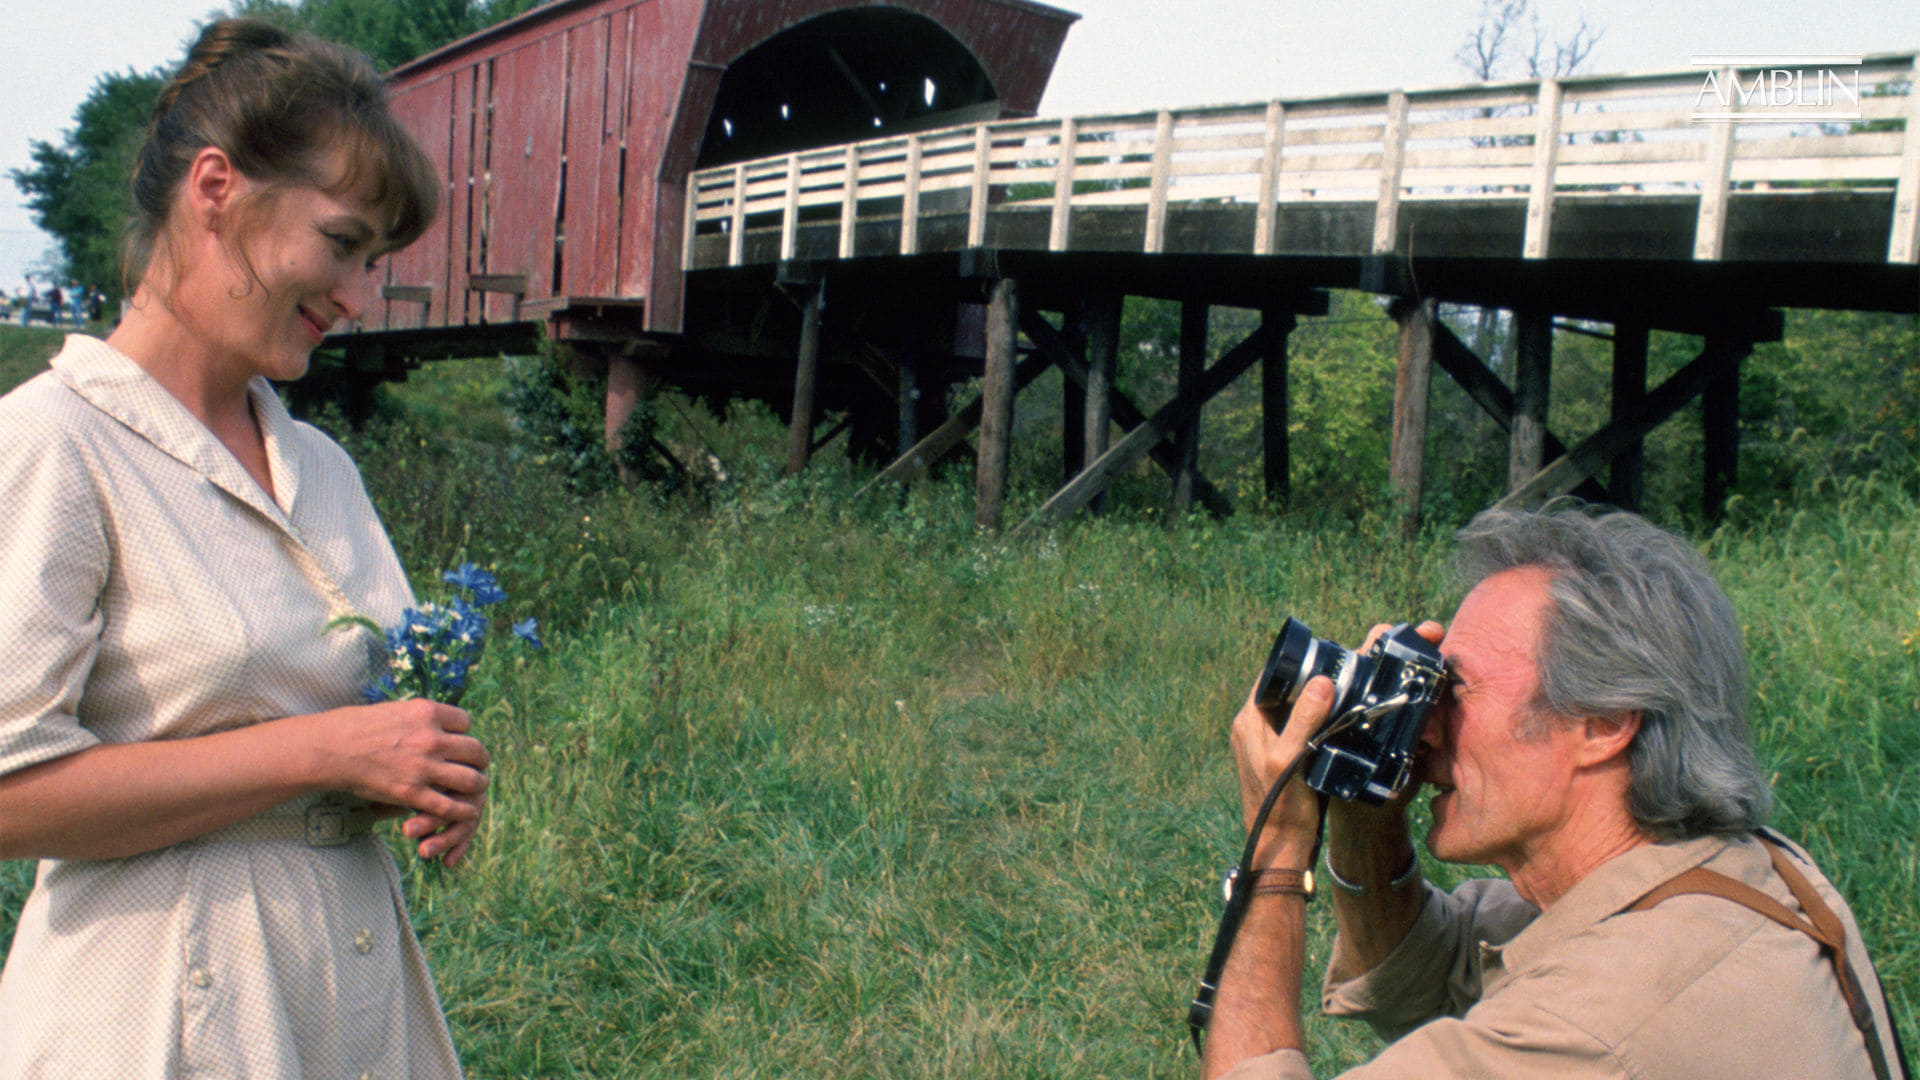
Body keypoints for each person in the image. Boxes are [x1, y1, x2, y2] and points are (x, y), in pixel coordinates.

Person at [0, 19, 488, 1078]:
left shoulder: (323, 466)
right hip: (156, 1020)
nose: (357, 295)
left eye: (375, 260)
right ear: (216, 189)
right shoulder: (57, 441)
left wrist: (418, 774)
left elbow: (358, 719)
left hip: (348, 995)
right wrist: (327, 753)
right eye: (344, 242)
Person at [1202, 502, 1905, 1079]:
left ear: (1603, 723)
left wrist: (1275, 854)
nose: (1426, 729)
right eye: (1426, 693)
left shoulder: (1598, 1028)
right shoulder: (1752, 871)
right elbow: (1419, 977)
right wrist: (1368, 781)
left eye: (1456, 691)